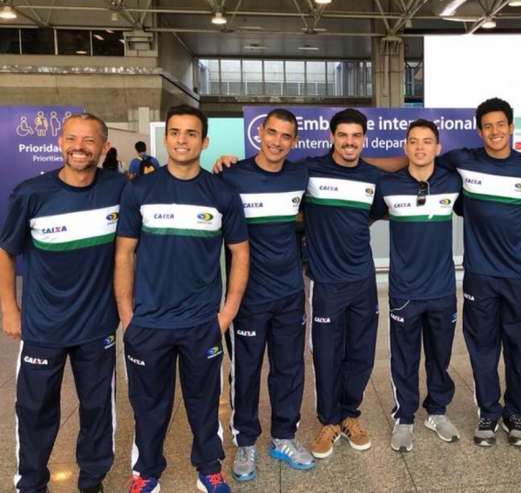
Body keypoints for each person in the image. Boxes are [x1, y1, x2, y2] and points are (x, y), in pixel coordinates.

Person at [114, 105, 249, 493]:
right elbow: (124, 253)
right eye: (175, 132)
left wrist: (227, 312)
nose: (182, 140)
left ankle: (208, 469)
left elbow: (240, 252)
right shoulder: (139, 189)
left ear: (204, 141)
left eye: (191, 133)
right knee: (148, 405)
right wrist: (127, 313)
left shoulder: (221, 193)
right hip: (148, 324)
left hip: (201, 323)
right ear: (166, 137)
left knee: (204, 404)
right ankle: (147, 472)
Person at [0, 113, 126, 493]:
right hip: (43, 326)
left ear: (104, 147)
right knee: (35, 411)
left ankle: (92, 482)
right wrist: (9, 308)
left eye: (90, 141)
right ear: (59, 142)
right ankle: (31, 483)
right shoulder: (31, 194)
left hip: (97, 325)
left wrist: (224, 166)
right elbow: (6, 251)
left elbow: (170, 187)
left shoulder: (119, 188)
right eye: (72, 138)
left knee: (97, 410)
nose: (79, 147)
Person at [437, 98, 521, 447]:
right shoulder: (463, 161)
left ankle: (515, 412)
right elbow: (425, 168)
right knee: (482, 346)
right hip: (480, 273)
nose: (495, 132)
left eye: (501, 125)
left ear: (511, 127)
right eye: (488, 127)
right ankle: (489, 410)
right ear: (479, 131)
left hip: (519, 273)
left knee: (517, 344)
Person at [219, 109, 315, 480]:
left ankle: (284, 436)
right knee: (245, 370)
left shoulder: (300, 174)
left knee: (289, 368)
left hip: (290, 291)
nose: (276, 141)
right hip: (247, 296)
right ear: (259, 132)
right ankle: (245, 441)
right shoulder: (231, 175)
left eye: (285, 136)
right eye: (271, 132)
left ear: (294, 142)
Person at [372, 119, 462, 453]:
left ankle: (436, 411)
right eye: (414, 141)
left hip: (441, 289)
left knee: (440, 357)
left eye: (427, 141)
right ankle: (405, 417)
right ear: (405, 147)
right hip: (404, 291)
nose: (420, 147)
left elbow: (482, 211)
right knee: (404, 358)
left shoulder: (453, 183)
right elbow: (364, 217)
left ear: (438, 148)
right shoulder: (388, 185)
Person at [303, 109, 385, 459]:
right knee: (326, 354)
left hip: (363, 279)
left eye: (356, 136)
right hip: (326, 282)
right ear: (331, 137)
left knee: (361, 353)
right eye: (343, 135)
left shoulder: (372, 177)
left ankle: (350, 414)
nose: (349, 142)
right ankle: (329, 421)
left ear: (363, 139)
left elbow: (371, 214)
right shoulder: (310, 171)